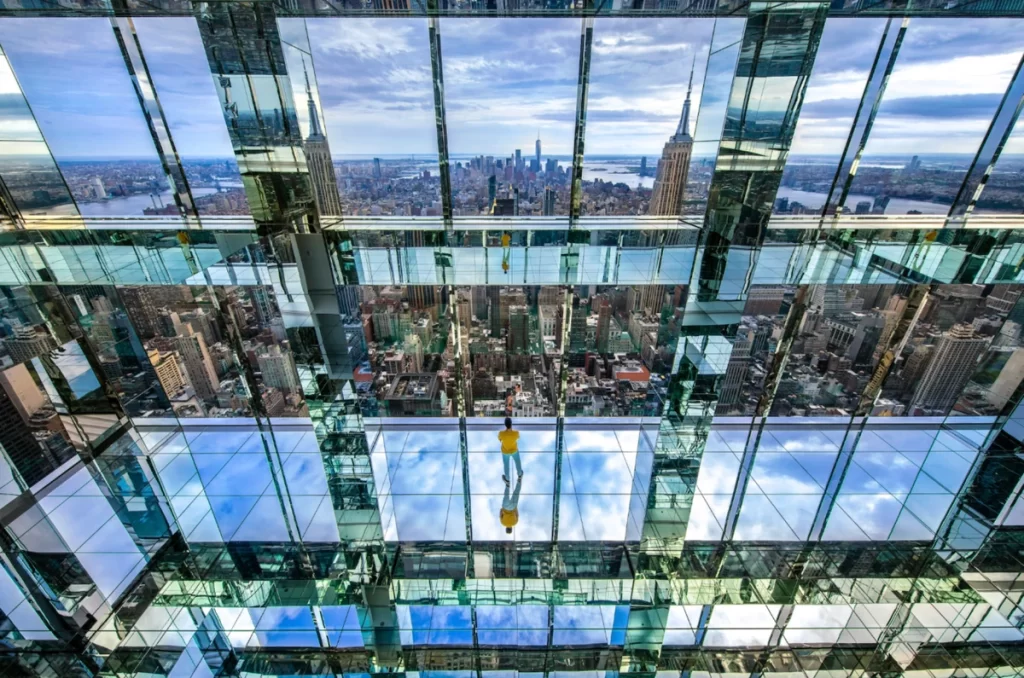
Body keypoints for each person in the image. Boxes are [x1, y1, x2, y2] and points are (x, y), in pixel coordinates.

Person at [497, 416, 522, 484]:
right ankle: (520, 475)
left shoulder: (501, 433)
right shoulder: (516, 433)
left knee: (506, 465)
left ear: (505, 425)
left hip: (505, 452)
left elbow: (499, 439)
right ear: (511, 424)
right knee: (517, 462)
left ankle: (507, 479)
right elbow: (518, 438)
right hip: (514, 450)